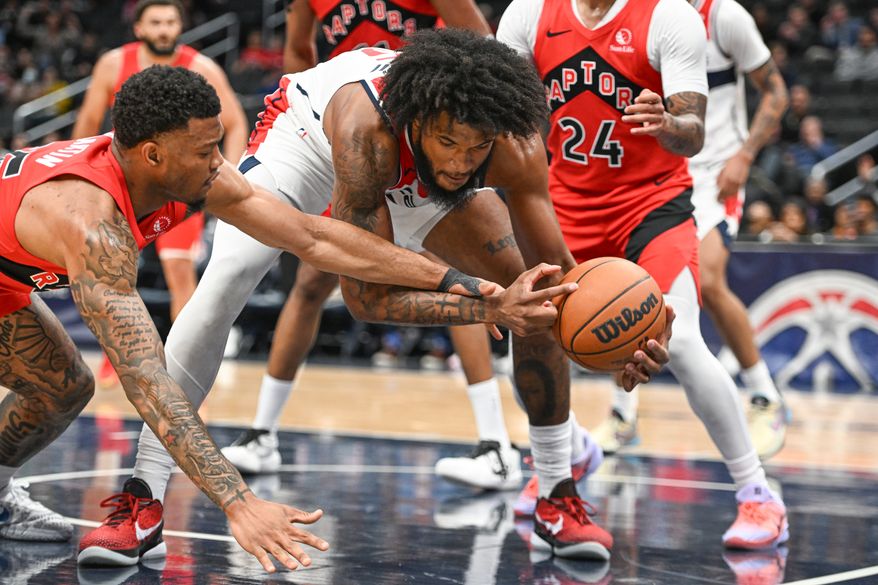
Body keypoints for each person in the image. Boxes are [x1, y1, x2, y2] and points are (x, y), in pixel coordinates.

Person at [84, 30, 673, 565]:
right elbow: (365, 298)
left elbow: (567, 284)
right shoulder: (368, 130)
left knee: (536, 294)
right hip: (309, 138)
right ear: (420, 121)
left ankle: (555, 490)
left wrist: (628, 338)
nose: (462, 161)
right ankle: (144, 494)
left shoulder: (512, 146)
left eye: (476, 149)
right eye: (449, 142)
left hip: (401, 160)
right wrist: (488, 305)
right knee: (229, 273)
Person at [0, 65, 565, 571]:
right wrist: (238, 504)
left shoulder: (184, 171)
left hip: (8, 280)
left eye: (217, 146)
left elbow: (313, 237)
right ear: (154, 155)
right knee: (125, 373)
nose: (220, 163)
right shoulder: (91, 224)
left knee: (61, 387)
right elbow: (149, 385)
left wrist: (466, 287)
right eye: (206, 152)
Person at [497, 0, 788, 550]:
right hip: (562, 205)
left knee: (678, 343)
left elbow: (694, 134)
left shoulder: (668, 16)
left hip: (650, 206)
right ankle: (564, 467)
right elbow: (505, 121)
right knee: (530, 334)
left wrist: (668, 124)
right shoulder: (528, 14)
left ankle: (758, 492)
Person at [221, 0, 532, 492]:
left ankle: (496, 442)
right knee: (310, 284)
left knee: (470, 282)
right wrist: (321, 121)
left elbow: (485, 53)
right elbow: (299, 50)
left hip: (430, 144)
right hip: (347, 144)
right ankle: (262, 432)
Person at [592, 0, 791, 460]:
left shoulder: (725, 16)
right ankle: (623, 415)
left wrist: (744, 156)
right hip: (651, 175)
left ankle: (765, 397)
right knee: (620, 291)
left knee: (708, 282)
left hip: (715, 171)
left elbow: (777, 92)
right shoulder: (634, 16)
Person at [71, 0, 249, 386]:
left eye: (171, 21)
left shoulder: (201, 66)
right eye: (156, 22)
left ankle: (179, 366)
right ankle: (114, 360)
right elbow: (86, 125)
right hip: (121, 187)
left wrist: (220, 173)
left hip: (177, 190)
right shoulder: (113, 63)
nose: (165, 29)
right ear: (139, 28)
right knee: (109, 276)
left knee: (179, 277)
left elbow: (236, 123)